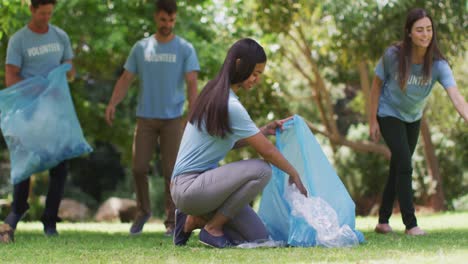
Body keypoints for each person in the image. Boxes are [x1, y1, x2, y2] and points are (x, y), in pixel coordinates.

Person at [170, 38, 308, 248]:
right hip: (190, 188)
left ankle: (191, 220)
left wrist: (263, 131)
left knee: (257, 237)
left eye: (259, 74)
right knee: (262, 169)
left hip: (196, 190)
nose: (256, 79)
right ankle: (213, 228)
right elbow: (267, 152)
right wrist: (294, 172)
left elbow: (226, 143)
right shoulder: (230, 104)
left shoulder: (215, 92)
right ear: (239, 65)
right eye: (255, 73)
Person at [369, 8, 468, 236]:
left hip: (413, 117)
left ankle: (383, 221)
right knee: (405, 163)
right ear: (409, 33)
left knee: (398, 166)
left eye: (429, 29)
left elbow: (458, 98)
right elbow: (375, 87)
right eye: (419, 30)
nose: (425, 34)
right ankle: (410, 224)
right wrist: (372, 120)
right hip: (388, 113)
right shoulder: (393, 56)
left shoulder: (438, 65)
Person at [105, 0, 199, 236]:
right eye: (163, 19)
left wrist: (193, 113)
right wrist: (112, 103)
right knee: (138, 167)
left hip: (173, 119)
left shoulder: (185, 48)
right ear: (156, 18)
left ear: (174, 19)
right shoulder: (141, 47)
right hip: (145, 117)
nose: (167, 24)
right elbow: (126, 78)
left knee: (171, 171)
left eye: (171, 20)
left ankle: (171, 220)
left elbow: (192, 83)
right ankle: (143, 211)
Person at [3, 0, 75, 237]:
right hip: (28, 111)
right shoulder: (19, 40)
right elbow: (10, 78)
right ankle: (16, 212)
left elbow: (70, 68)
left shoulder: (60, 36)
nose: (46, 18)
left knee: (59, 166)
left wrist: (65, 73)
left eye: (49, 13)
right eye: (42, 13)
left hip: (55, 111)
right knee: (25, 164)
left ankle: (50, 220)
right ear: (32, 10)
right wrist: (39, 88)